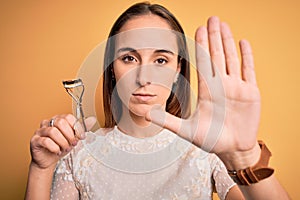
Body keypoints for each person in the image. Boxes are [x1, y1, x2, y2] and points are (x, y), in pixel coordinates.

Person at [25, 2, 290, 200]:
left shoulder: (207, 148)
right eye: (129, 58)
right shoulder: (79, 153)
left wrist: (244, 158)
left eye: (161, 60)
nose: (143, 78)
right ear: (112, 69)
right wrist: (41, 168)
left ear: (177, 71)